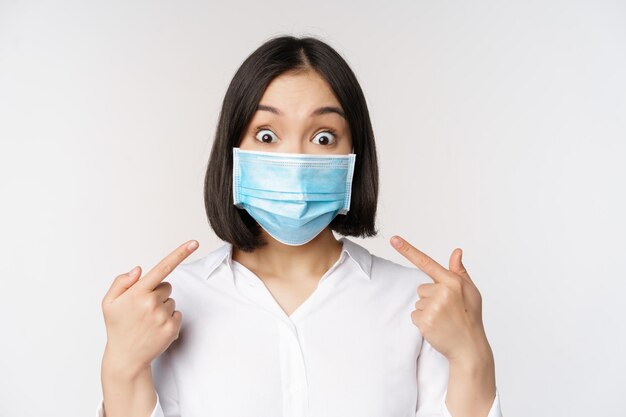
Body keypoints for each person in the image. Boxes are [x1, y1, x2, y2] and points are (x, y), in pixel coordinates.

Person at [97, 35, 503, 417]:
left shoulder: (417, 306)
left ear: (354, 156)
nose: (294, 160)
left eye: (324, 137)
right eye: (268, 135)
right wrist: (122, 368)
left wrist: (472, 355)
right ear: (233, 151)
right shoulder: (168, 306)